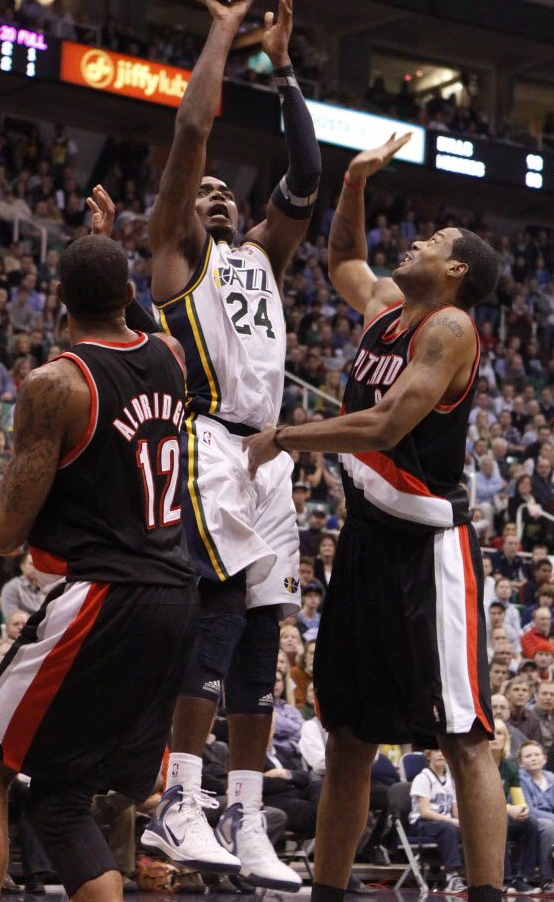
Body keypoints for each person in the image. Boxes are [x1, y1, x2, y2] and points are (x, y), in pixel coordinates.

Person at [0, 232, 197, 902]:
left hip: (105, 597)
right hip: (175, 599)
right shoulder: (169, 357)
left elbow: (0, 533)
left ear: (57, 302)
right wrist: (102, 241)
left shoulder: (55, 384)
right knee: (59, 799)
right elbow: (125, 336)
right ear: (130, 295)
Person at [244, 134, 504, 902]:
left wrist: (285, 435)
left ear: (454, 271)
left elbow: (386, 425)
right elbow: (342, 263)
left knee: (464, 736)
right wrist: (352, 184)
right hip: (364, 540)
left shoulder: (449, 328)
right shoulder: (388, 307)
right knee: (349, 734)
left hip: (428, 549)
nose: (415, 241)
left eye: (432, 240)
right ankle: (325, 893)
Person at [142, 0, 320, 890]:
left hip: (271, 457)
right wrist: (220, 37)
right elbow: (189, 137)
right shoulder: (174, 258)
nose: (213, 195)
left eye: (224, 194)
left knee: (263, 637)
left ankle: (245, 815)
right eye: (201, 194)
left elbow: (304, 176)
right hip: (209, 445)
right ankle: (179, 801)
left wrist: (283, 70)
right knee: (213, 619)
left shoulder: (263, 254)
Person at [489, 719, 539, 895]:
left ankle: (521, 878)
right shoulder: (479, 763)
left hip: (502, 813)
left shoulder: (509, 765)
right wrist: (509, 809)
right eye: (492, 732)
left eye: (500, 733)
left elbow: (518, 796)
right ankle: (504, 880)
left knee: (530, 824)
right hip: (482, 817)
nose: (495, 737)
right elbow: (482, 801)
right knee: (499, 824)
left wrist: (522, 809)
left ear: (505, 740)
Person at [409, 749, 465, 892]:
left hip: (444, 823)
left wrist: (465, 823)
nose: (441, 754)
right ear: (428, 755)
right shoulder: (423, 778)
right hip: (422, 823)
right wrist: (452, 821)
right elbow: (425, 811)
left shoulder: (451, 780)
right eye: (436, 751)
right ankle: (452, 876)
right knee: (448, 827)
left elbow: (456, 811)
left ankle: (474, 874)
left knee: (470, 829)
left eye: (443, 751)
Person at [517, 740, 554, 891]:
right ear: (520, 762)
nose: (533, 758)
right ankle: (548, 878)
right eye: (528, 756)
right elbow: (527, 808)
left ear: (544, 758)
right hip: (529, 820)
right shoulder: (519, 779)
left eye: (537, 754)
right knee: (549, 826)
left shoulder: (551, 777)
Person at [0, 550, 44, 617]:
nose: (35, 567)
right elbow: (11, 617)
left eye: (37, 565)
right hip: (22, 626)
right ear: (22, 566)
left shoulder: (45, 588)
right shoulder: (11, 587)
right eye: (31, 564)